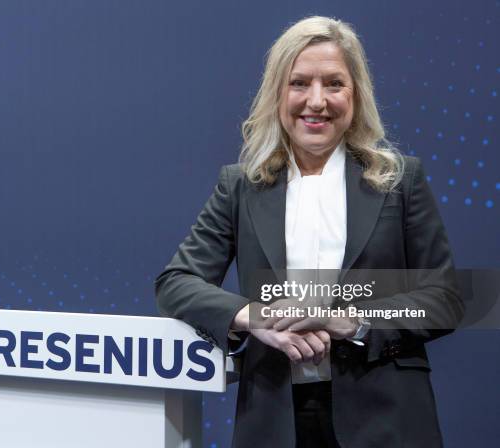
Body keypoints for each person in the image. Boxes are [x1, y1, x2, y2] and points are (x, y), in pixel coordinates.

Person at [155, 16, 463, 448]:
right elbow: (176, 282)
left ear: (355, 95)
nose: (316, 101)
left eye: (334, 83)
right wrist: (253, 317)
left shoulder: (399, 180)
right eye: (299, 83)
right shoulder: (241, 186)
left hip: (388, 420)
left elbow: (444, 298)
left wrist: (352, 320)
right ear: (277, 93)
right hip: (274, 420)